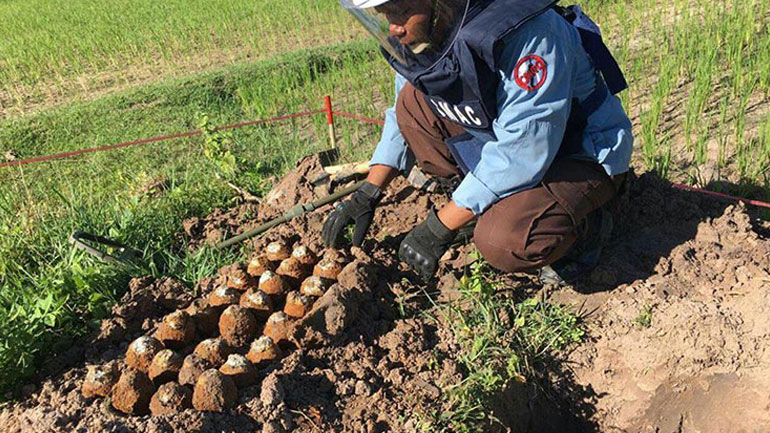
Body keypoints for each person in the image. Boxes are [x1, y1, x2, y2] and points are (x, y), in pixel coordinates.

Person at [322, 0, 633, 282]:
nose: (394, 27)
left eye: (401, 11)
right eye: (384, 15)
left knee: (503, 241)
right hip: (511, 143)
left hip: (578, 152)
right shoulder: (430, 30)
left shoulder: (528, 32)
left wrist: (438, 227)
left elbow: (524, 149)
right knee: (412, 104)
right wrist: (368, 193)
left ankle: (586, 226)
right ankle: (479, 206)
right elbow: (401, 113)